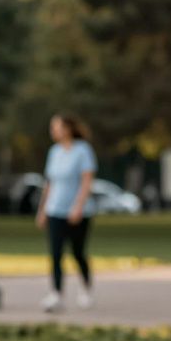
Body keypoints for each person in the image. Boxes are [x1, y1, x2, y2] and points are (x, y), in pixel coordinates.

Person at [36, 114, 97, 313]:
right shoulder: (54, 152)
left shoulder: (82, 150)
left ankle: (86, 288)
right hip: (55, 210)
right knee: (55, 253)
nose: (53, 131)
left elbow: (87, 181)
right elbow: (50, 183)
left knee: (78, 253)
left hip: (79, 212)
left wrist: (78, 206)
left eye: (57, 127)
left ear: (68, 129)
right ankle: (56, 293)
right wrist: (43, 209)